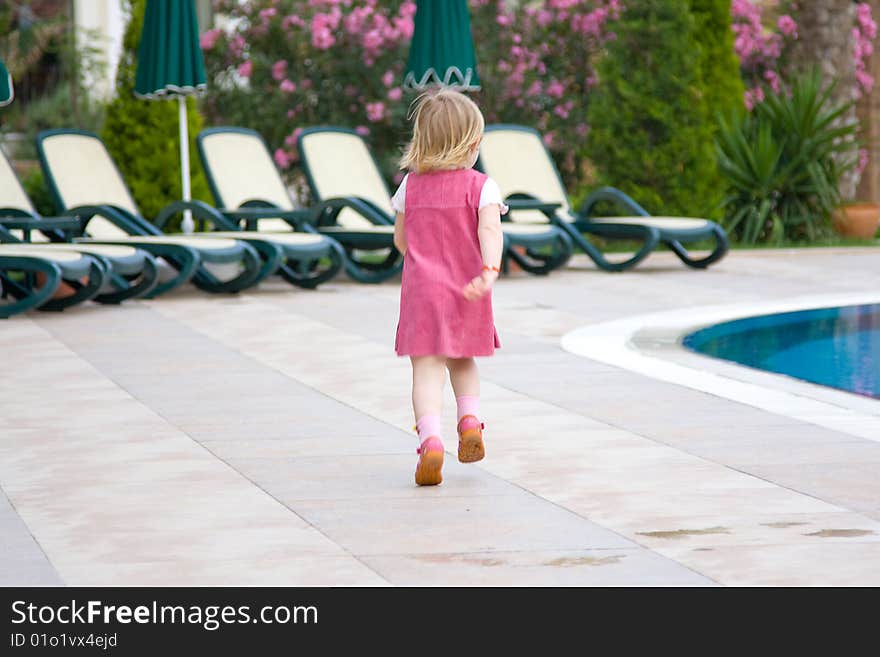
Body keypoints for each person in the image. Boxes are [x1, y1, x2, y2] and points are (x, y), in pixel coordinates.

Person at [392, 88, 507, 486]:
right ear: (472, 143)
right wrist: (490, 269)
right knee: (462, 360)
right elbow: (490, 228)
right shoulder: (483, 187)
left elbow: (401, 241)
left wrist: (422, 256)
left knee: (425, 371)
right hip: (467, 290)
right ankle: (469, 419)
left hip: (423, 295)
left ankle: (430, 440)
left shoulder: (409, 187)